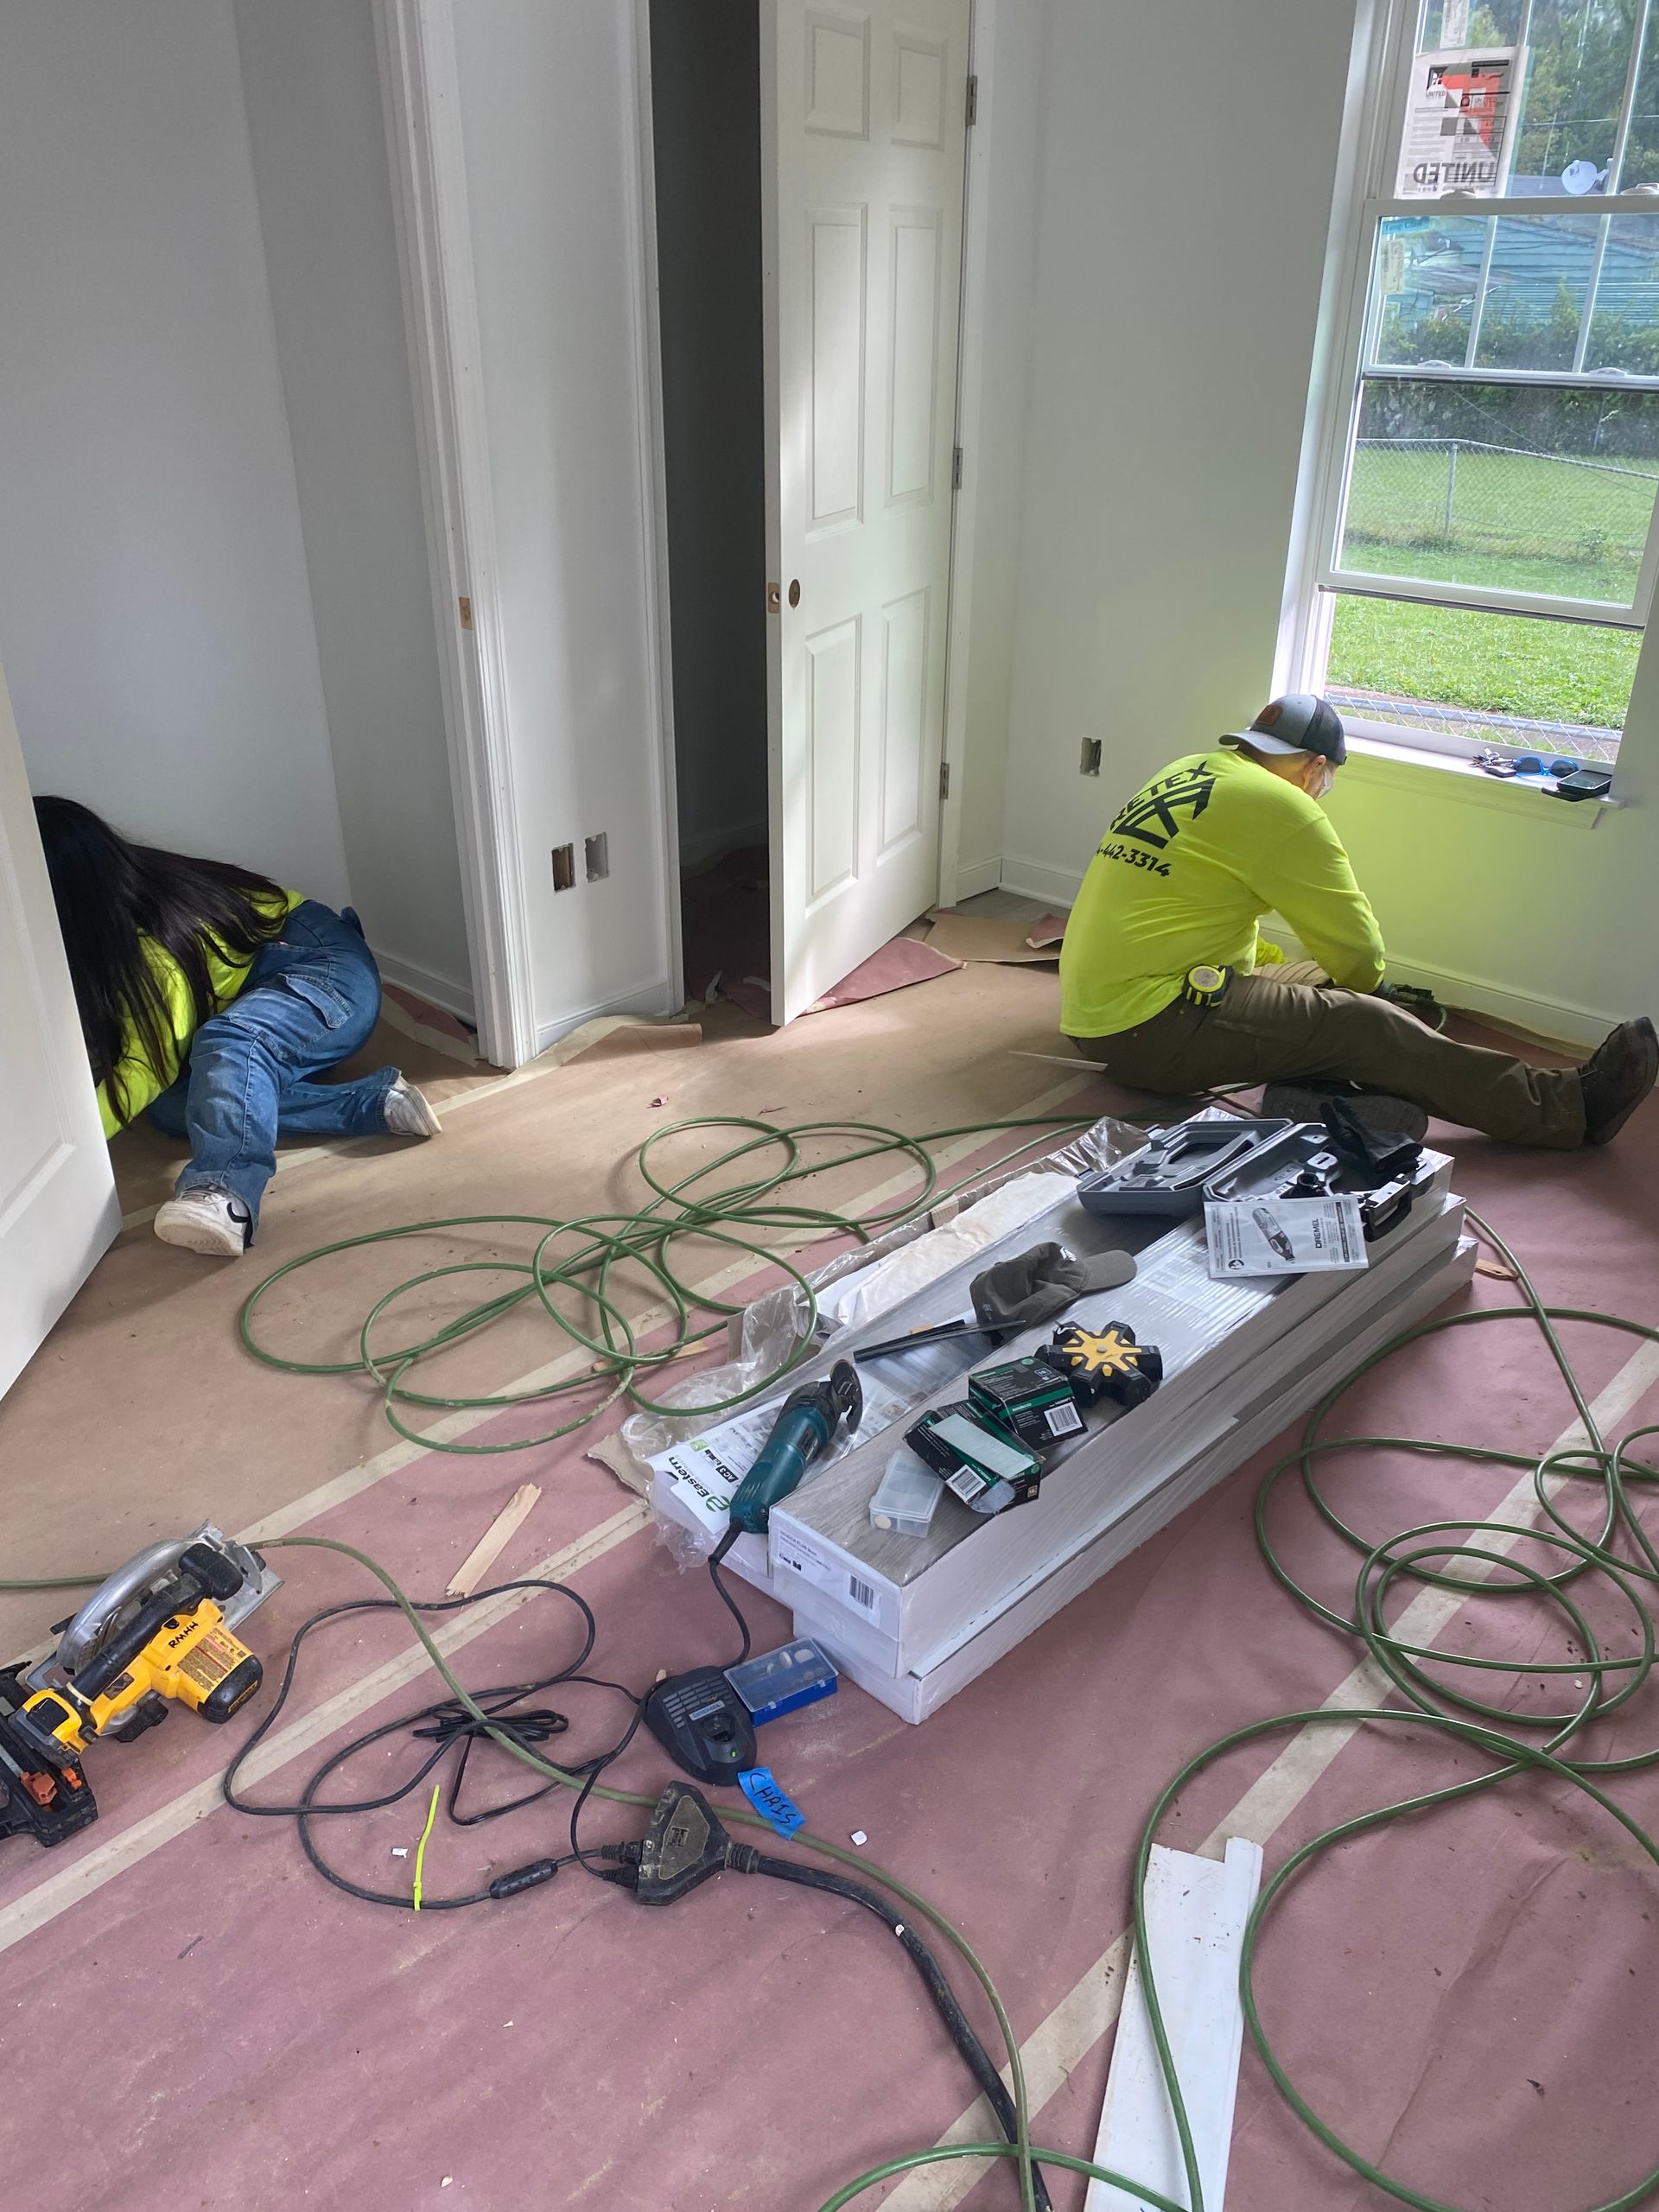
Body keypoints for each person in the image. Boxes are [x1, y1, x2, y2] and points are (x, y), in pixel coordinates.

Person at [1058, 695, 1657, 1149]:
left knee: (1323, 989)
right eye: (1327, 779)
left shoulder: (1194, 769)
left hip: (1098, 1004)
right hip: (1147, 1030)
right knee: (1365, 1024)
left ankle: (1312, 1090)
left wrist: (1307, 979)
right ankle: (1569, 1109)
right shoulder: (1284, 806)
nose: (1324, 790)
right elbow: (1359, 955)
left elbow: (1199, 911)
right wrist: (1367, 999)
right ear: (1315, 765)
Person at [35, 797, 442, 1255]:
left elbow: (145, 1064)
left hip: (329, 972)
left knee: (230, 1041)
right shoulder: (108, 924)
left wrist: (60, 1149)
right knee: (174, 1108)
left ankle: (223, 1194)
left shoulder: (155, 941)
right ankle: (367, 1103)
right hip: (272, 989)